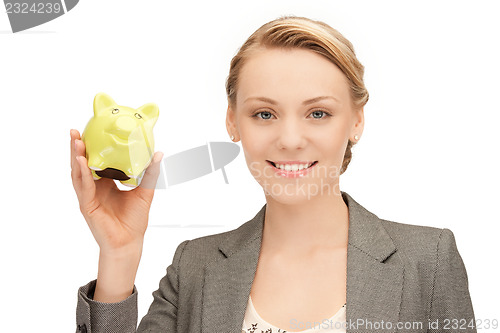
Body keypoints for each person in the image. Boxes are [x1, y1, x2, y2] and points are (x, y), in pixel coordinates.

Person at [71, 15, 476, 333]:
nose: (290, 139)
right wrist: (118, 257)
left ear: (356, 121)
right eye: (264, 114)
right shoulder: (194, 267)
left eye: (318, 113)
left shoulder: (429, 261)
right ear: (233, 122)